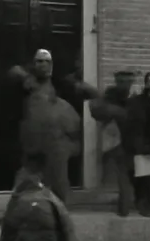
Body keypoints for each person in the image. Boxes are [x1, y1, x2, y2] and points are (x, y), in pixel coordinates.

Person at [8, 49, 95, 205]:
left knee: (58, 182)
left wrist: (79, 84)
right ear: (33, 64)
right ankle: (19, 211)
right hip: (32, 141)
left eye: (47, 61)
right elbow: (13, 72)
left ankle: (58, 212)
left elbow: (91, 93)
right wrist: (25, 76)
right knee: (26, 180)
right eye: (39, 61)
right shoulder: (26, 83)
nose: (43, 65)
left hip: (56, 142)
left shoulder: (61, 83)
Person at [89, 70, 136, 217]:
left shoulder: (133, 97)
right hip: (117, 141)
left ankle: (127, 205)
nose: (125, 85)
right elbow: (98, 110)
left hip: (130, 141)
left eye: (128, 82)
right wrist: (120, 112)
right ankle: (125, 207)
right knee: (123, 174)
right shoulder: (111, 96)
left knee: (127, 174)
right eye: (122, 82)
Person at [122, 73, 150, 217]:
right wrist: (146, 149)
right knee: (147, 181)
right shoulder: (140, 106)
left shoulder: (148, 107)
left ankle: (149, 206)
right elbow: (137, 130)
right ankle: (147, 207)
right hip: (146, 151)